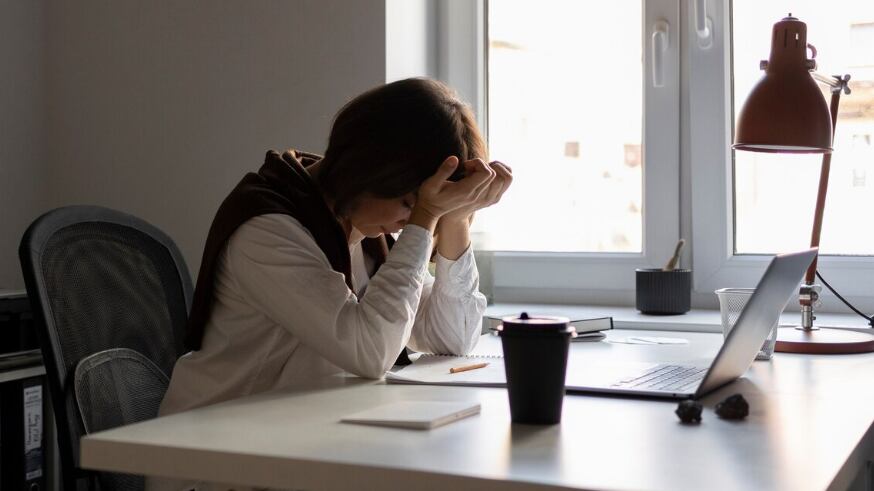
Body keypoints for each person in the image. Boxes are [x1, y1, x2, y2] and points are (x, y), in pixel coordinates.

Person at [158, 78, 512, 419]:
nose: (410, 221)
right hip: (211, 457)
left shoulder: (365, 231)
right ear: (371, 169)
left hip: (293, 439)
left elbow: (451, 338)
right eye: (408, 203)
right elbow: (370, 351)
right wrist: (427, 216)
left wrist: (455, 217)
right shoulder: (268, 228)